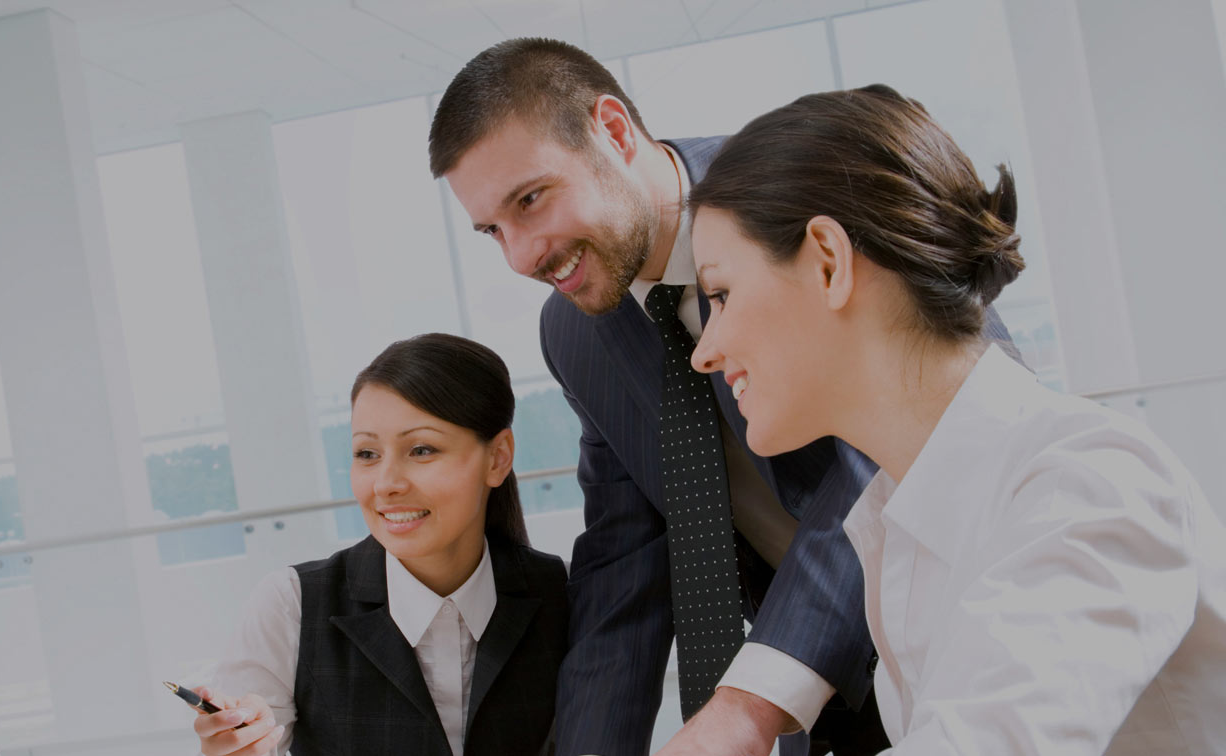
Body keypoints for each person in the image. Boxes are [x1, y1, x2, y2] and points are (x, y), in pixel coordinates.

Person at [430, 38, 1017, 756]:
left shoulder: (804, 185)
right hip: (823, 703)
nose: (521, 255)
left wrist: (748, 706)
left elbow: (907, 428)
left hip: (966, 628)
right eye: (493, 230)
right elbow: (626, 561)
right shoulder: (576, 332)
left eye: (531, 199)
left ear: (613, 132)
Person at [686, 83, 1226, 754]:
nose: (705, 353)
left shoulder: (1084, 485)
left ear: (829, 263)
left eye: (721, 294)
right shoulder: (896, 521)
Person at [188, 333, 568, 756]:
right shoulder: (292, 603)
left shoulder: (560, 593)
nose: (386, 485)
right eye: (367, 454)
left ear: (497, 458)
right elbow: (248, 735)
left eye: (421, 449)